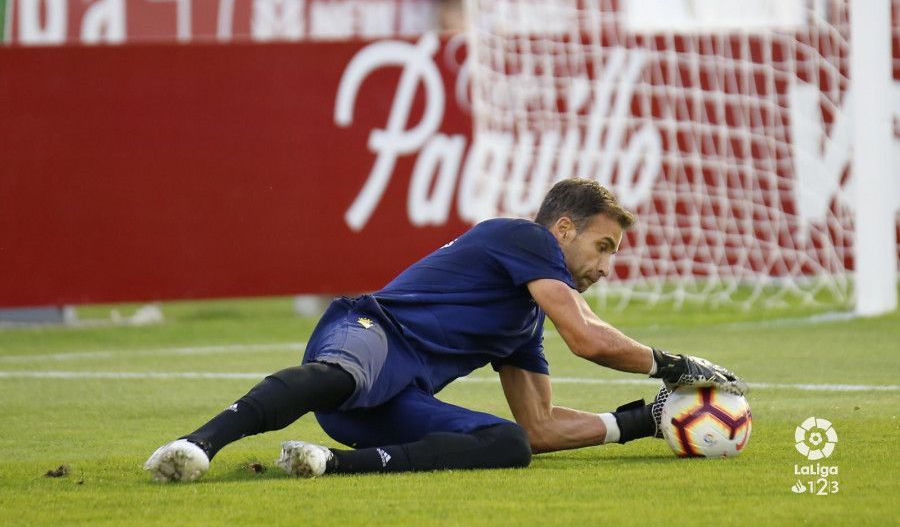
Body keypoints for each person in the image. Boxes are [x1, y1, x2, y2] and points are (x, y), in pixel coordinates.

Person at [144, 179, 746, 482]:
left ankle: (325, 463)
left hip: (392, 405)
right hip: (370, 331)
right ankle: (197, 444)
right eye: (603, 245)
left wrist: (636, 423)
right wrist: (673, 364)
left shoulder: (523, 320)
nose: (607, 266)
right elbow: (586, 337)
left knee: (510, 445)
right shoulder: (524, 237)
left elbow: (539, 427)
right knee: (339, 376)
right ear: (562, 229)